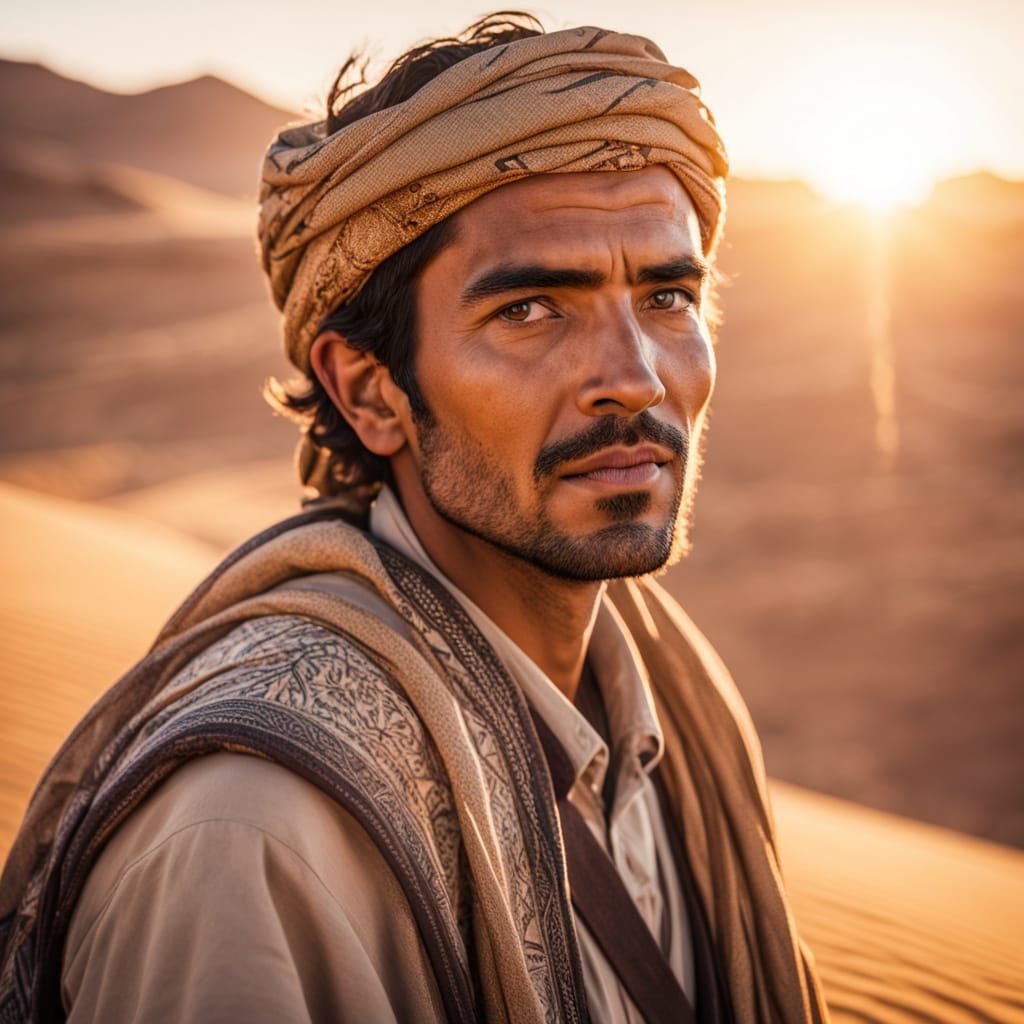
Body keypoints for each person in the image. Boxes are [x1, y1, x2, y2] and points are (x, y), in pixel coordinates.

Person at [0, 13, 828, 1024]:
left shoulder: (682, 717)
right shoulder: (251, 839)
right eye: (530, 309)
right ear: (369, 390)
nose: (635, 377)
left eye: (667, 297)